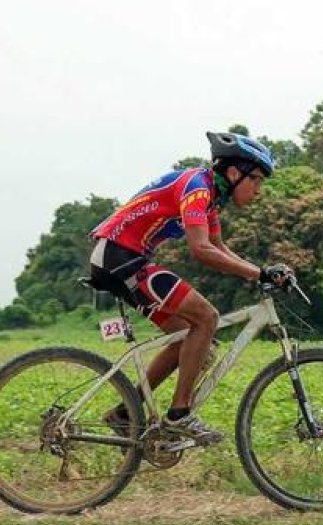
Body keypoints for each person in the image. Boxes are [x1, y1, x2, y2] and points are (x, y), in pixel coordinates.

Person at [90, 131, 288, 446]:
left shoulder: (210, 197)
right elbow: (201, 250)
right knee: (206, 318)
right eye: (257, 180)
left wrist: (262, 273)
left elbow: (218, 248)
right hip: (119, 257)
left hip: (126, 258)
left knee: (185, 335)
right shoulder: (197, 188)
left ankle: (125, 413)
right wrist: (258, 273)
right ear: (235, 173)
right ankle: (179, 416)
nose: (258, 190)